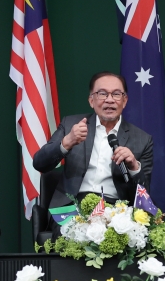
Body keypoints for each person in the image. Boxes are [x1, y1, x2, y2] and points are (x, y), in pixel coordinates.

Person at [33, 72, 154, 212]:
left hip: (116, 210)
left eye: (116, 94)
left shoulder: (142, 139)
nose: (109, 100)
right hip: (71, 207)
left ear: (124, 101)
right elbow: (39, 163)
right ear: (91, 100)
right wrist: (66, 142)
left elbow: (144, 194)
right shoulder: (70, 125)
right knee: (72, 233)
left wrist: (133, 166)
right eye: (102, 93)